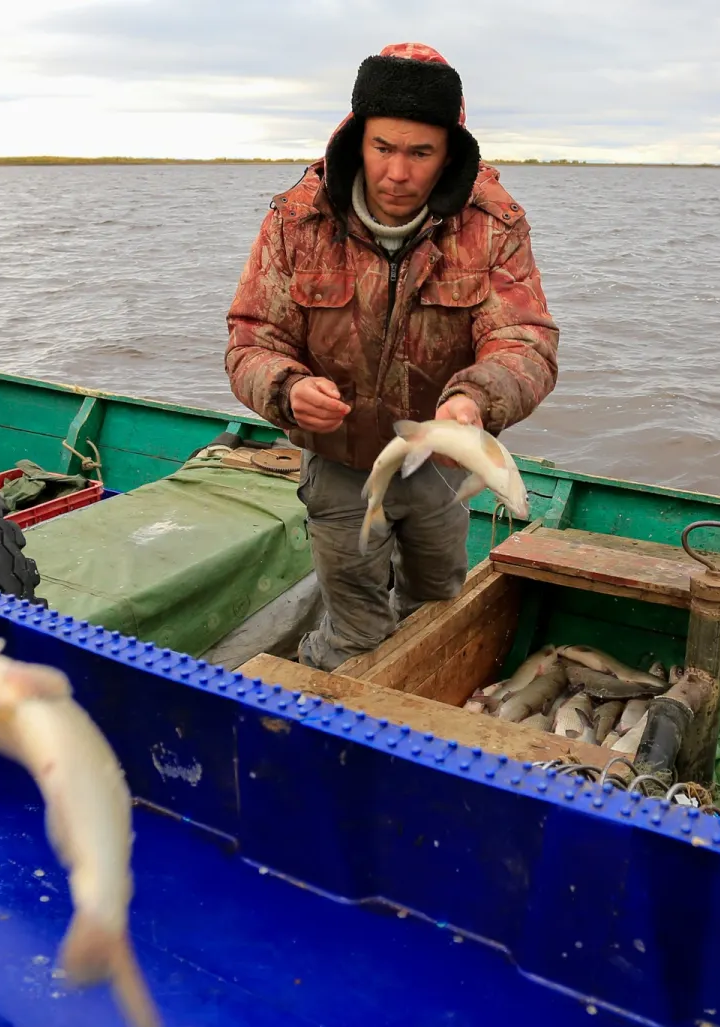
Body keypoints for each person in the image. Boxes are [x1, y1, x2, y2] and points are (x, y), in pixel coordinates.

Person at [225, 42, 559, 671]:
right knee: (355, 631)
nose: (397, 174)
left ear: (449, 152)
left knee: (436, 610)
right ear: (358, 139)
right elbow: (251, 340)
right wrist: (286, 390)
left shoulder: (492, 225)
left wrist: (475, 398)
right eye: (383, 148)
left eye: (420, 153)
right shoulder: (296, 220)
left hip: (438, 462)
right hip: (339, 463)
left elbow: (525, 340)